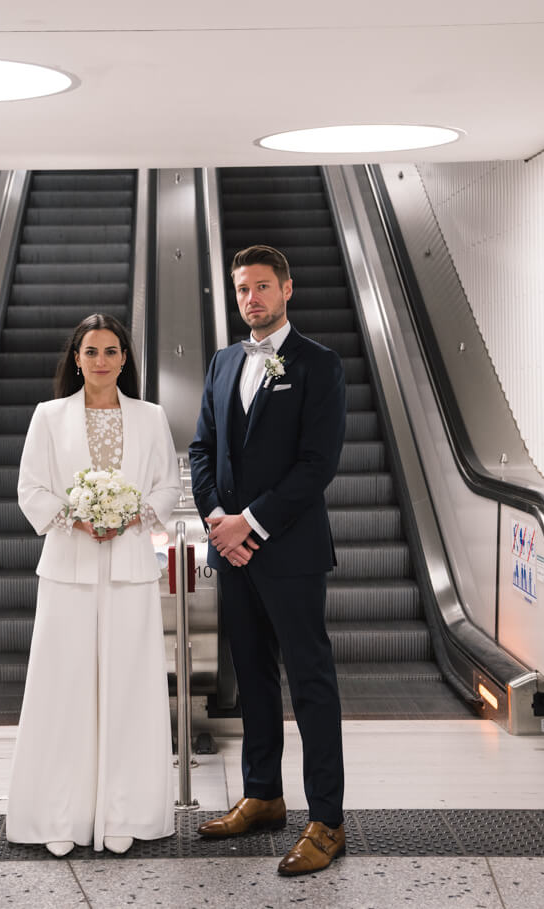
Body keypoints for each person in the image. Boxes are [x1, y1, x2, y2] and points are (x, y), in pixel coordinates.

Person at [189, 244, 347, 876]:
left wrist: (249, 524)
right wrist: (217, 523)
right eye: (241, 289)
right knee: (250, 675)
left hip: (291, 551)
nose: (250, 299)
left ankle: (327, 820)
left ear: (286, 289)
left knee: (310, 683)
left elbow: (318, 464)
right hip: (234, 552)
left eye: (260, 287)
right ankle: (262, 795)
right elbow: (202, 448)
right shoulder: (225, 361)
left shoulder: (319, 365)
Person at [6, 313, 181, 857]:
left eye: (110, 351)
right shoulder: (48, 416)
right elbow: (30, 486)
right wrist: (73, 517)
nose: (101, 361)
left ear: (124, 359)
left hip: (129, 563)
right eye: (91, 352)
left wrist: (134, 514)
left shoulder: (151, 418)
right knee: (64, 685)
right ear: (76, 360)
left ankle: (122, 811)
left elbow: (169, 483)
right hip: (68, 565)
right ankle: (61, 813)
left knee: (130, 686)